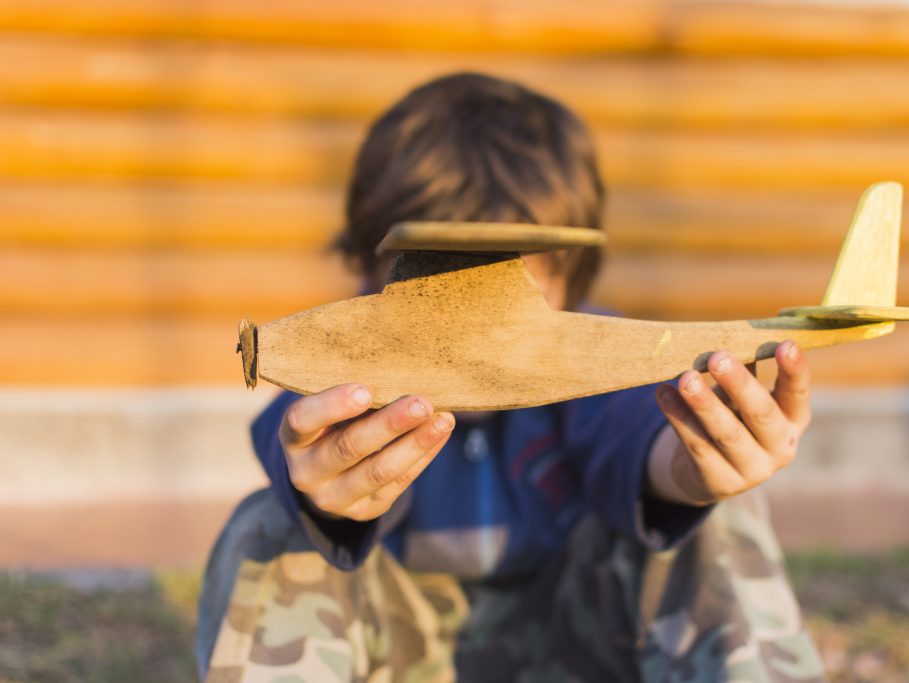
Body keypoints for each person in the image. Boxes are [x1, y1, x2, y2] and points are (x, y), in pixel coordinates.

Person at [197, 72, 825, 682]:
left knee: (714, 514)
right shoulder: (351, 379)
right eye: (432, 294)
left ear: (567, 288)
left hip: (576, 641)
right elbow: (289, 438)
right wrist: (320, 492)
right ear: (371, 277)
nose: (457, 326)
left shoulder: (592, 369)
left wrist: (692, 471)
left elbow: (634, 429)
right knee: (272, 524)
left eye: (484, 292)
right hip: (403, 649)